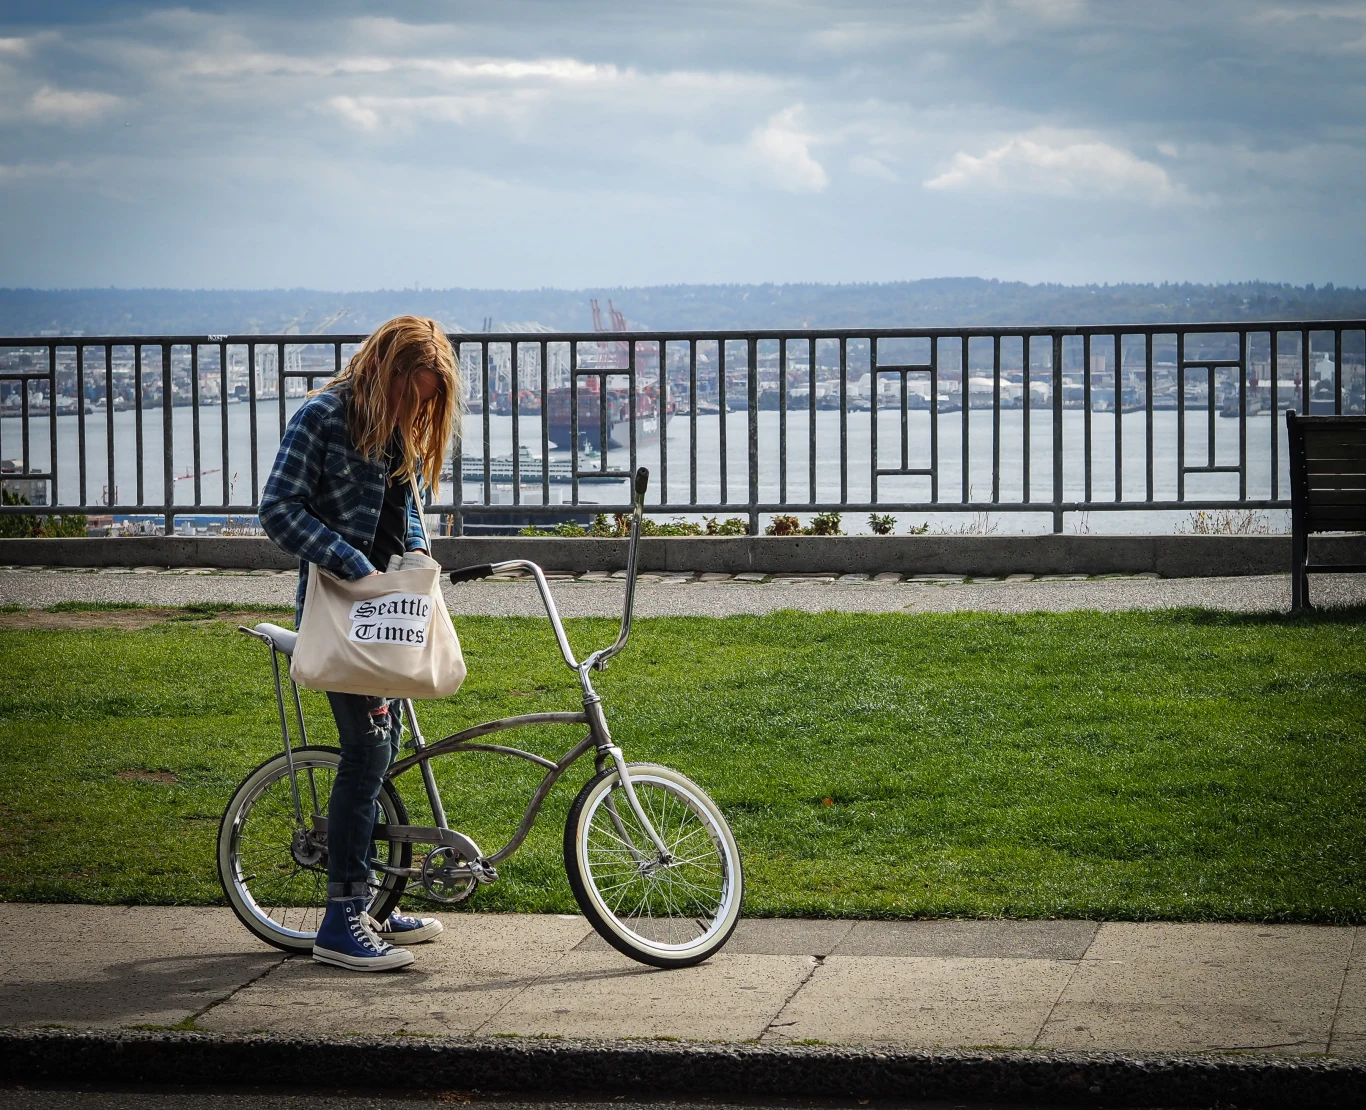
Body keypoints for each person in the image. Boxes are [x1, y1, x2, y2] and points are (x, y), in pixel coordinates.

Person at [259, 315, 460, 972]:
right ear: (386, 372)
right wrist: (350, 561)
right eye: (413, 395)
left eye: (427, 401)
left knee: (384, 748)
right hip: (342, 614)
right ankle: (342, 918)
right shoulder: (321, 416)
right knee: (367, 746)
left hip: (387, 614)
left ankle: (370, 904)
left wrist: (418, 557)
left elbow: (406, 512)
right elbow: (278, 509)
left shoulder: (394, 426)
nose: (416, 409)